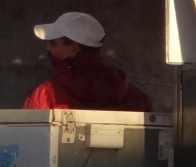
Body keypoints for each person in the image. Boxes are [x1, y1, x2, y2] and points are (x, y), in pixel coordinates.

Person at [23, 12, 153, 111]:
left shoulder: (45, 95)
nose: (48, 48)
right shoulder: (138, 97)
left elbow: (27, 136)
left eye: (53, 43)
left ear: (73, 48)